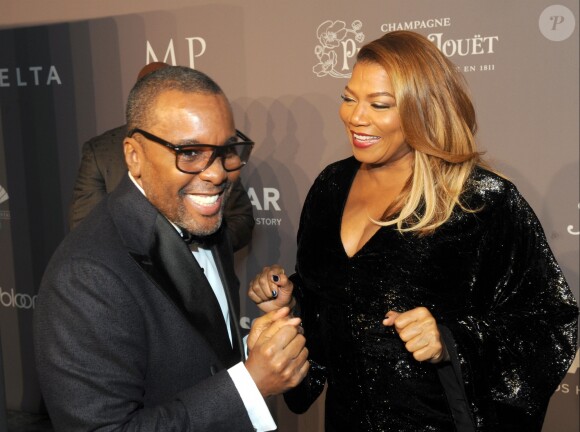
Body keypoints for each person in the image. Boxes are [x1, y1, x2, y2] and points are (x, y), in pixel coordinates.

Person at [248, 31, 578, 431]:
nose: (355, 117)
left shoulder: (480, 201)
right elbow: (342, 298)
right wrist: (293, 298)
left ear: (423, 108)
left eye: (380, 104)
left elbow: (548, 321)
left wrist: (450, 341)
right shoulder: (331, 185)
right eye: (349, 98)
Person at [34, 66, 309, 431]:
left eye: (226, 150)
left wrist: (250, 355)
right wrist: (250, 384)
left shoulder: (207, 224)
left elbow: (195, 357)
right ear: (134, 155)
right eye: (190, 152)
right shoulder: (86, 276)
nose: (217, 174)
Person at [69, 62, 255, 252]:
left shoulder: (219, 156)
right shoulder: (101, 151)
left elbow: (241, 218)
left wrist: (201, 246)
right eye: (189, 152)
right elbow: (87, 229)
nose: (215, 174)